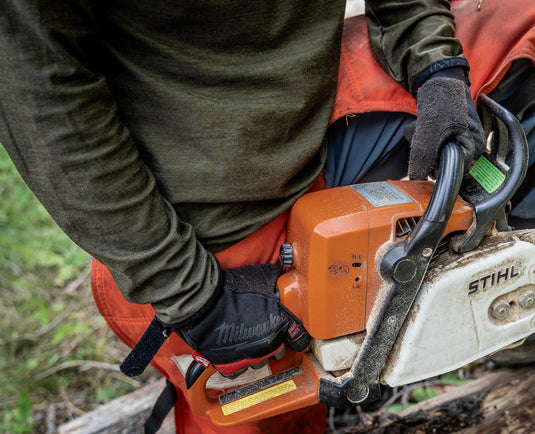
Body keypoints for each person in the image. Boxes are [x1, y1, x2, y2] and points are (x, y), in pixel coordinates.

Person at [1, 0, 534, 432]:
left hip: (312, 118)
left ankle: (515, 317)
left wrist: (437, 70)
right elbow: (35, 89)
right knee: (260, 406)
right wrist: (189, 294)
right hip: (204, 227)